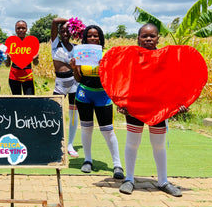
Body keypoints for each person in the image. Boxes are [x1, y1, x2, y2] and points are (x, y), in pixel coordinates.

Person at [118, 23, 186, 196]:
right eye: (144, 36)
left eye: (152, 36)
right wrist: (121, 102)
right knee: (132, 143)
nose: (148, 39)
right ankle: (129, 179)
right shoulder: (130, 57)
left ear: (158, 38)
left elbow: (175, 81)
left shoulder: (166, 58)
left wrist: (180, 103)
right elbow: (120, 80)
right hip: (134, 106)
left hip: (158, 108)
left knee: (159, 145)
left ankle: (163, 181)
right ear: (138, 38)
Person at [70, 25, 124, 179]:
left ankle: (117, 165)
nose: (93, 38)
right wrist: (74, 67)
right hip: (84, 93)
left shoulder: (106, 54)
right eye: (89, 36)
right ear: (85, 38)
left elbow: (113, 78)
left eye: (96, 36)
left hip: (103, 95)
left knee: (108, 130)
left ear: (100, 37)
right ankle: (87, 160)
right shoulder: (80, 54)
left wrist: (105, 66)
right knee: (86, 128)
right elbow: (78, 78)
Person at [51, 17, 79, 158]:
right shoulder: (55, 44)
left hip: (74, 83)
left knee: (74, 115)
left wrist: (76, 27)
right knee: (55, 113)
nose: (65, 33)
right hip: (60, 84)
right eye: (63, 31)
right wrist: (71, 21)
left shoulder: (76, 48)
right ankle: (56, 142)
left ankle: (70, 145)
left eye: (68, 30)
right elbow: (55, 21)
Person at [5, 20, 39, 95]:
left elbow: (36, 64)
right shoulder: (11, 44)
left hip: (27, 76)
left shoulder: (31, 43)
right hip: (14, 76)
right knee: (17, 101)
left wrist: (35, 59)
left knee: (29, 100)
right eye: (18, 28)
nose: (21, 30)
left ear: (26, 29)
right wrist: (7, 58)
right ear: (15, 30)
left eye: (23, 28)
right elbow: (7, 65)